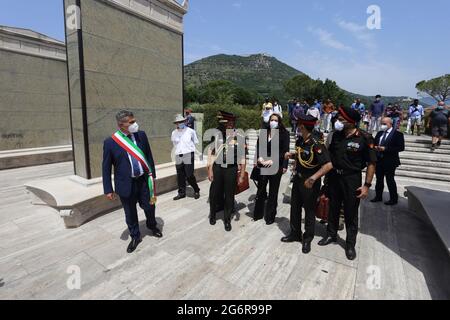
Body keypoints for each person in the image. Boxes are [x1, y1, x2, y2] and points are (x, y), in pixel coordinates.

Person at [318, 106, 377, 261]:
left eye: (342, 119)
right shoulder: (336, 136)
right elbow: (329, 158)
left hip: (352, 179)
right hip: (334, 177)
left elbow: (371, 163)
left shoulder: (365, 137)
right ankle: (331, 235)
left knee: (351, 213)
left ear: (351, 121)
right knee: (333, 209)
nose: (339, 121)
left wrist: (367, 186)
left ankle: (350, 244)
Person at [103, 110, 163, 254]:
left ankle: (152, 225)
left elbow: (148, 156)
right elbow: (105, 167)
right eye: (131, 122)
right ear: (121, 124)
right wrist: (108, 189)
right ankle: (135, 236)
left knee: (149, 206)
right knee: (130, 213)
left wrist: (152, 176)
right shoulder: (110, 142)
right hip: (125, 184)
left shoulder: (141, 135)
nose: (135, 124)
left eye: (134, 121)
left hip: (143, 181)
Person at [282, 115, 333, 254]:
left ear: (302, 126)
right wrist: (292, 155)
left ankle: (307, 238)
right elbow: (302, 155)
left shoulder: (316, 143)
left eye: (298, 124)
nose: (297, 127)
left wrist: (313, 178)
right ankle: (295, 233)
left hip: (310, 182)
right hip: (298, 180)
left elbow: (328, 165)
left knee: (309, 211)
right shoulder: (300, 140)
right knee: (295, 208)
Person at [208, 111, 247, 232]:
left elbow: (242, 157)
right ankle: (213, 214)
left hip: (231, 168)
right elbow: (212, 152)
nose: (229, 124)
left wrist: (241, 174)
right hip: (218, 167)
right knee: (214, 193)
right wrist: (210, 169)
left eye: (231, 122)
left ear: (234, 123)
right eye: (226, 122)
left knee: (229, 195)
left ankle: (227, 219)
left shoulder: (239, 137)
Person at [253, 114, 290, 224]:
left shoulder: (284, 133)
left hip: (276, 165)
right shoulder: (264, 132)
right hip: (263, 164)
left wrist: (284, 165)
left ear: (279, 122)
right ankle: (258, 213)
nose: (273, 122)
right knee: (260, 190)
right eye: (271, 120)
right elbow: (258, 146)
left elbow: (285, 151)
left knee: (273, 192)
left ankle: (270, 216)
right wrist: (258, 157)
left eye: (275, 120)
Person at [371, 118, 405, 205]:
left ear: (390, 124)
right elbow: (374, 143)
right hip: (379, 160)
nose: (382, 125)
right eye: (381, 123)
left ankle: (393, 199)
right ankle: (378, 196)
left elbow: (401, 147)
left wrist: (386, 149)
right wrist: (375, 147)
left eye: (384, 123)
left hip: (390, 161)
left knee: (390, 180)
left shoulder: (398, 134)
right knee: (379, 180)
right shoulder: (379, 133)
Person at [171, 114, 201, 201]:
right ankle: (181, 193)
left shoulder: (191, 131)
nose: (179, 123)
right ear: (175, 124)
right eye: (177, 122)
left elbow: (195, 142)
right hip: (179, 155)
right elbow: (175, 144)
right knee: (180, 175)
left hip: (188, 154)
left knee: (189, 175)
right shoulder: (174, 133)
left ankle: (196, 189)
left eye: (181, 122)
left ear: (184, 122)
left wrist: (196, 154)